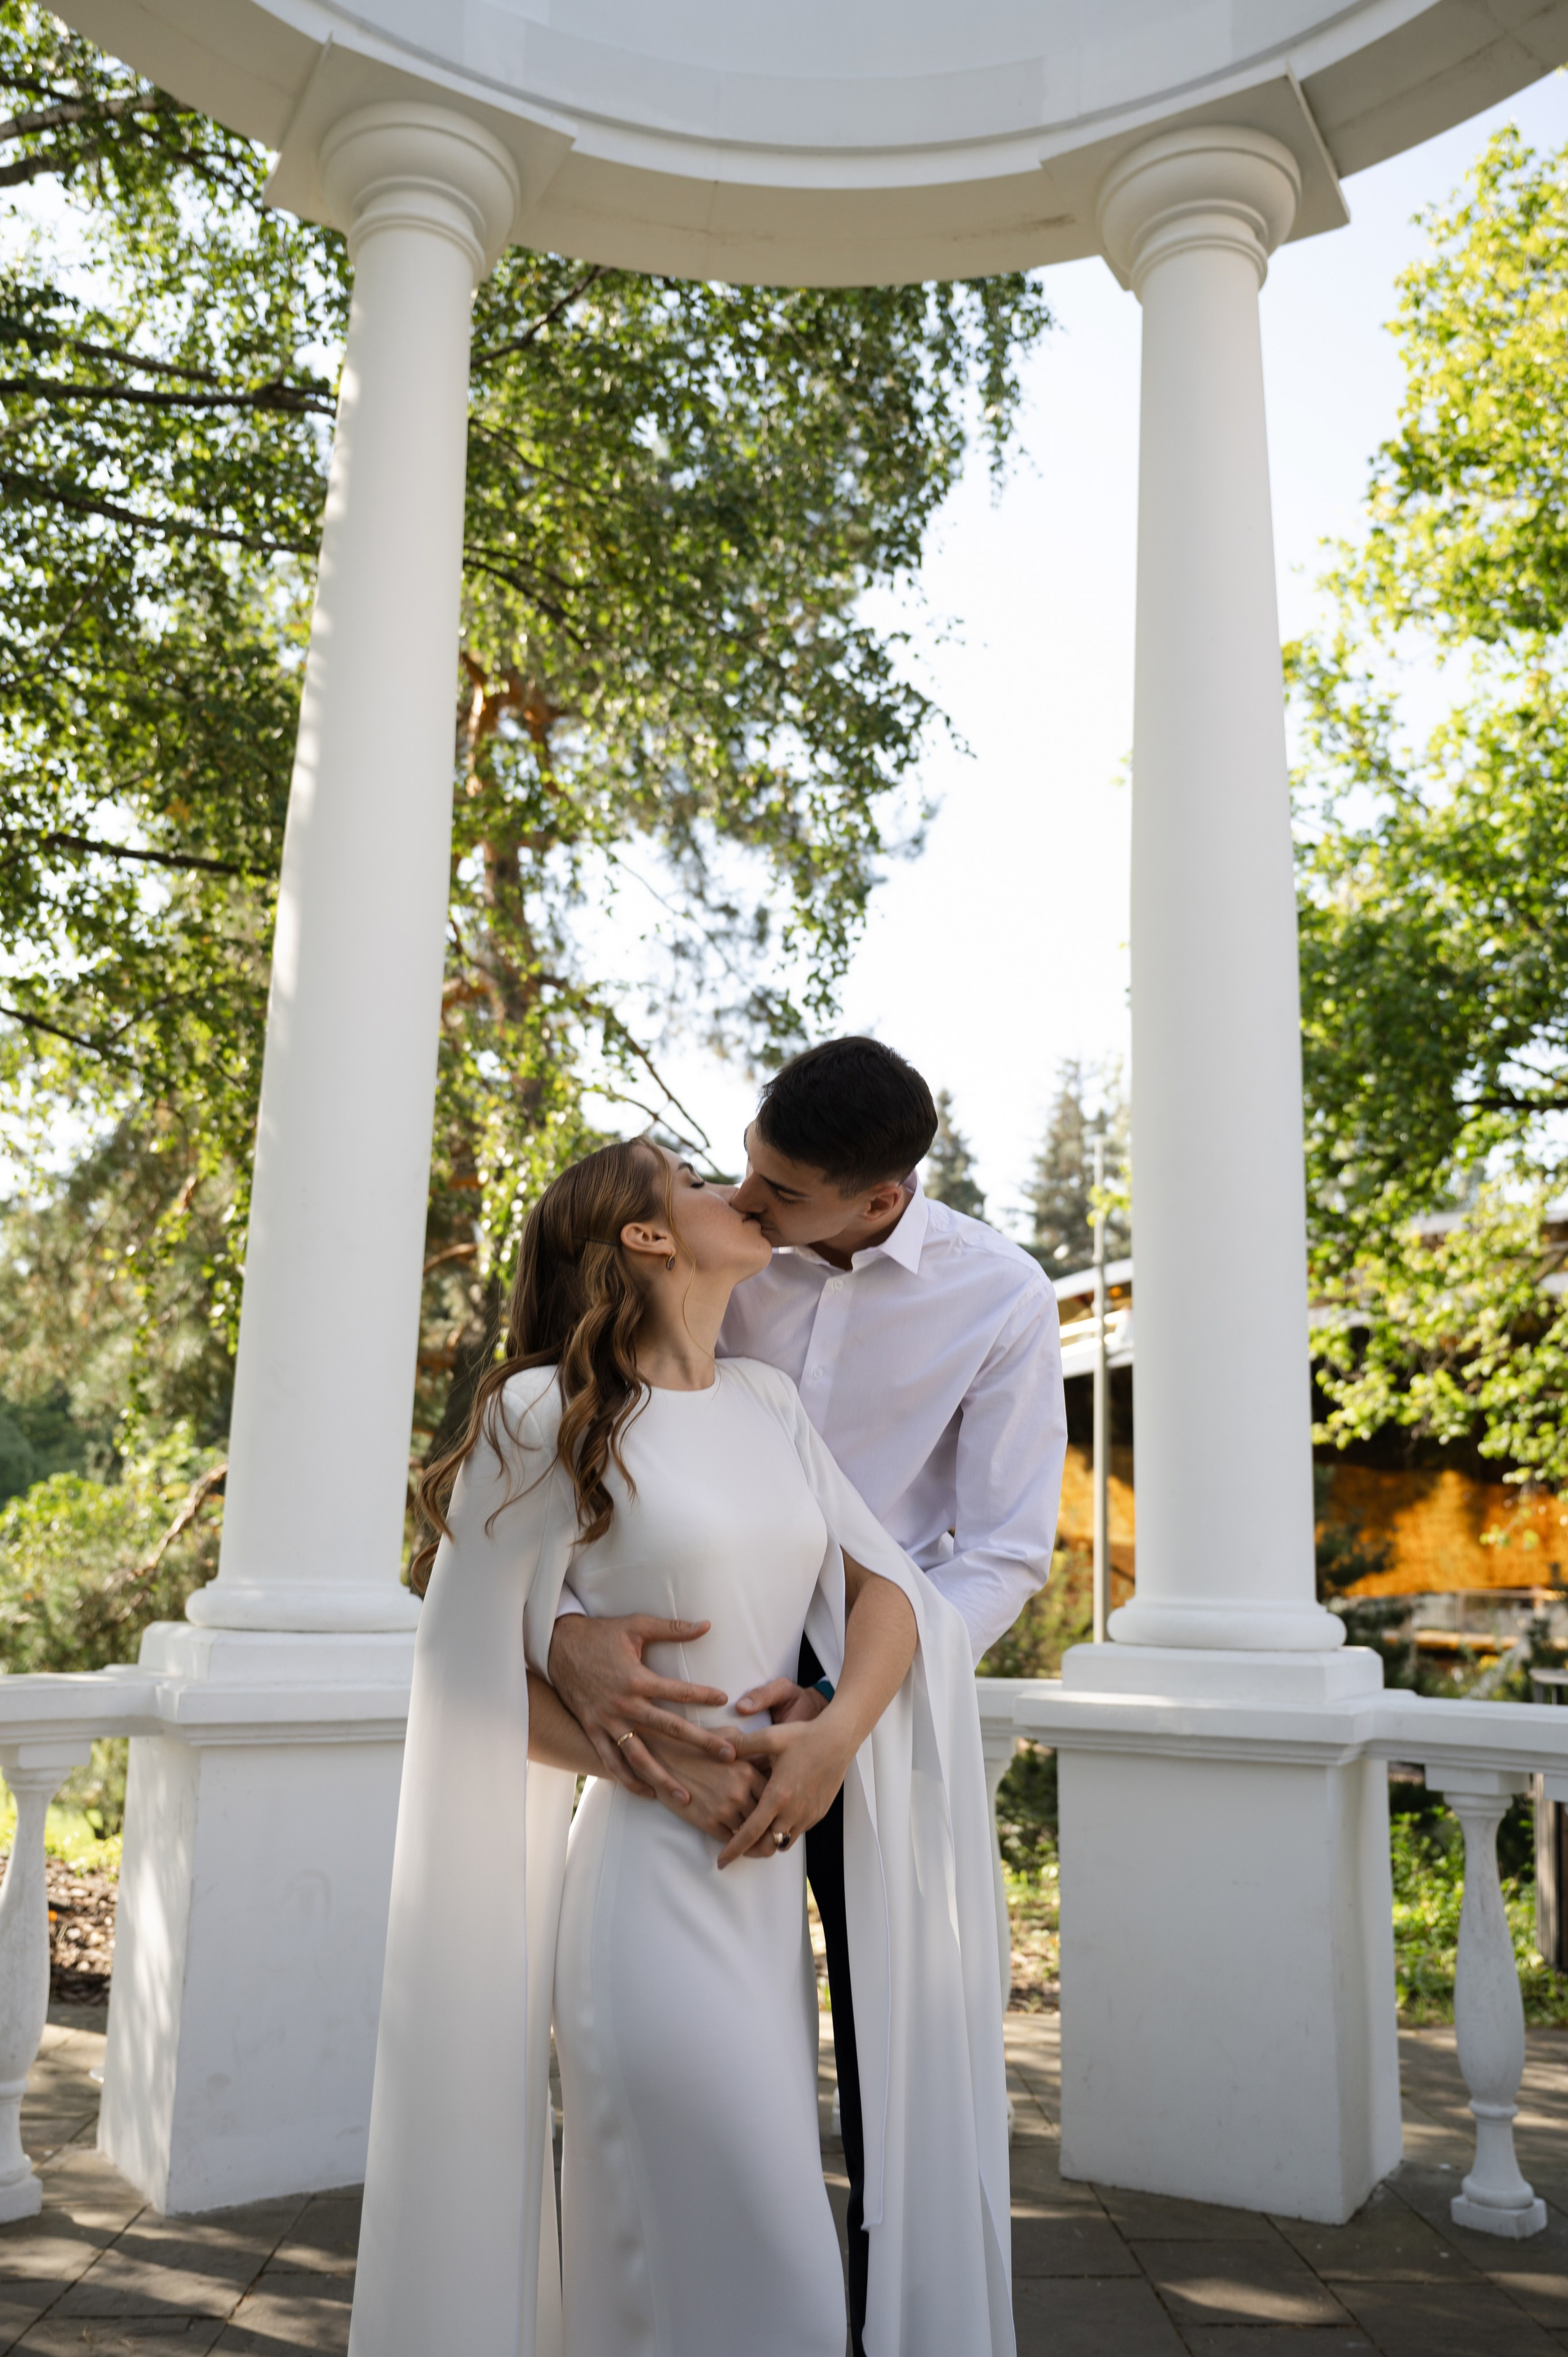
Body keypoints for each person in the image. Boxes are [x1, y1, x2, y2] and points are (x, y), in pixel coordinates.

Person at [347, 1136, 1013, 2357]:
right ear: (648, 1236)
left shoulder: (766, 1403)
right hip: (646, 1898)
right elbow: (462, 1675)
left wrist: (831, 1742)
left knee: (710, 2281)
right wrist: (648, 1764)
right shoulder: (540, 1413)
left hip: (761, 1914)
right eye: (701, 1183)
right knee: (770, 2279)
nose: (736, 1196)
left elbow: (890, 1594)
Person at [548, 1038, 1067, 2353]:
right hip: (697, 1709)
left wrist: (846, 1711)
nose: (747, 1200)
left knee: (899, 2071)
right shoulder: (720, 1250)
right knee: (717, 2062)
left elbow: (1002, 1551)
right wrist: (562, 1634)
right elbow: (573, 1445)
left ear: (878, 1199)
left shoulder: (1001, 1298)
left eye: (781, 1192)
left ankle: (885, 2326)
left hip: (882, 1718)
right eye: (745, 1169)